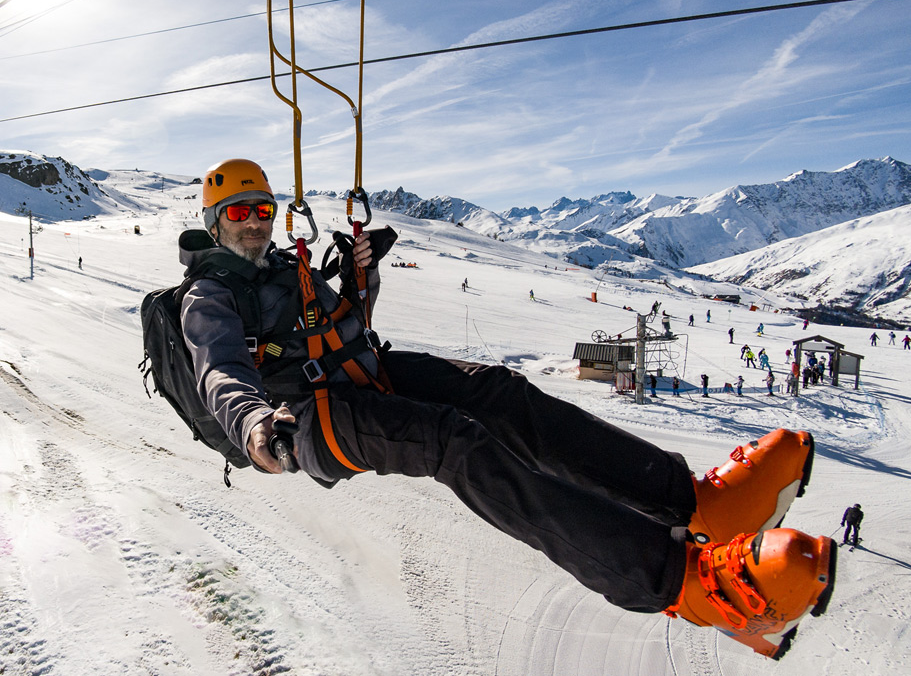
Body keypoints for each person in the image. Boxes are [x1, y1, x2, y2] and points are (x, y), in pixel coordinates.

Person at [178, 159, 835, 659]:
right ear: (215, 223)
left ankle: (699, 505)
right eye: (239, 213)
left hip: (361, 376)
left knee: (498, 391)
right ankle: (685, 584)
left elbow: (346, 319)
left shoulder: (282, 269)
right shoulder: (209, 292)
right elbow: (220, 372)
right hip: (307, 423)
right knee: (455, 442)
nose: (256, 220)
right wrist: (255, 427)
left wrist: (359, 273)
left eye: (261, 208)